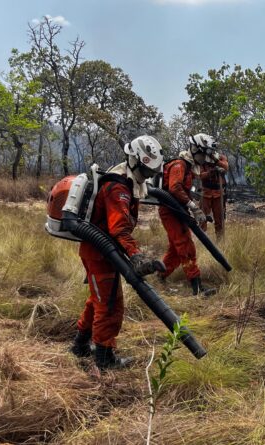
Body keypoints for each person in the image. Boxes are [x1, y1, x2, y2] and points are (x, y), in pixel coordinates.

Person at [69, 135, 166, 370]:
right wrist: (136, 256)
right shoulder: (118, 187)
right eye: (146, 171)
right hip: (100, 252)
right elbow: (119, 228)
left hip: (101, 250)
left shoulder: (126, 179)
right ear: (134, 161)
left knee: (98, 300)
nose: (147, 176)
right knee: (110, 305)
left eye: (151, 172)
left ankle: (80, 345)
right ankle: (104, 358)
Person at [157, 150, 215, 295]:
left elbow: (185, 189)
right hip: (170, 211)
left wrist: (194, 210)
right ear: (195, 150)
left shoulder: (188, 166)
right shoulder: (179, 165)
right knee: (185, 246)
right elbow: (175, 187)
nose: (203, 159)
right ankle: (197, 288)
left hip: (178, 210)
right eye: (203, 155)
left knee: (175, 250)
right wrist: (193, 206)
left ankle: (160, 277)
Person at [190, 133, 228, 241]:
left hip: (219, 193)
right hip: (205, 193)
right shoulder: (202, 159)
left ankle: (220, 241)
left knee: (220, 219)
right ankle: (203, 240)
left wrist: (216, 161)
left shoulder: (220, 157)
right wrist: (211, 172)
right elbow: (199, 175)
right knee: (202, 218)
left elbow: (226, 167)